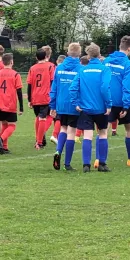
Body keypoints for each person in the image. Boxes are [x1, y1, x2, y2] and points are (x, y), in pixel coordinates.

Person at [69, 43, 112, 173]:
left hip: (86, 109)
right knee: (103, 133)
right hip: (101, 108)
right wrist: (108, 104)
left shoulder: (82, 70)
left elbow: (72, 88)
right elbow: (105, 88)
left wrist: (75, 103)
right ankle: (102, 163)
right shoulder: (104, 69)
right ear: (99, 54)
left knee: (87, 135)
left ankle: (86, 165)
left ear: (88, 55)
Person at [103, 35, 130, 167]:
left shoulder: (106, 61)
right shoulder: (129, 64)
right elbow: (127, 86)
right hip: (121, 101)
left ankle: (99, 160)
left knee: (104, 130)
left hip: (107, 100)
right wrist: (126, 106)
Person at [49, 43, 82, 171]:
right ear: (79, 54)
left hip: (61, 103)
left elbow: (54, 88)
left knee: (63, 128)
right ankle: (67, 163)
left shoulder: (59, 68)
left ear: (67, 53)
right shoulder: (80, 69)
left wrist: (52, 105)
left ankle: (58, 151)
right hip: (74, 104)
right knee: (71, 133)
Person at [0, 53, 24, 154]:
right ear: (11, 62)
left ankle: (4, 147)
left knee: (4, 124)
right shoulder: (15, 74)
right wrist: (21, 107)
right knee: (12, 126)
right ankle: (1, 138)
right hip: (10, 104)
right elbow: (19, 91)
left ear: (2, 62)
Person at [27, 48, 55, 150]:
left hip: (35, 96)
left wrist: (29, 99)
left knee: (38, 117)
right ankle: (39, 142)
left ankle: (40, 139)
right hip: (46, 96)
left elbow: (29, 84)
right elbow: (53, 82)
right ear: (46, 56)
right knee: (43, 118)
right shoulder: (51, 66)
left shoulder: (32, 68)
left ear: (36, 57)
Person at [49, 55, 67, 145]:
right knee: (60, 118)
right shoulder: (60, 70)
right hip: (61, 97)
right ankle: (55, 135)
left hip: (54, 95)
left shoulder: (55, 68)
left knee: (56, 118)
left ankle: (57, 134)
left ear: (57, 61)